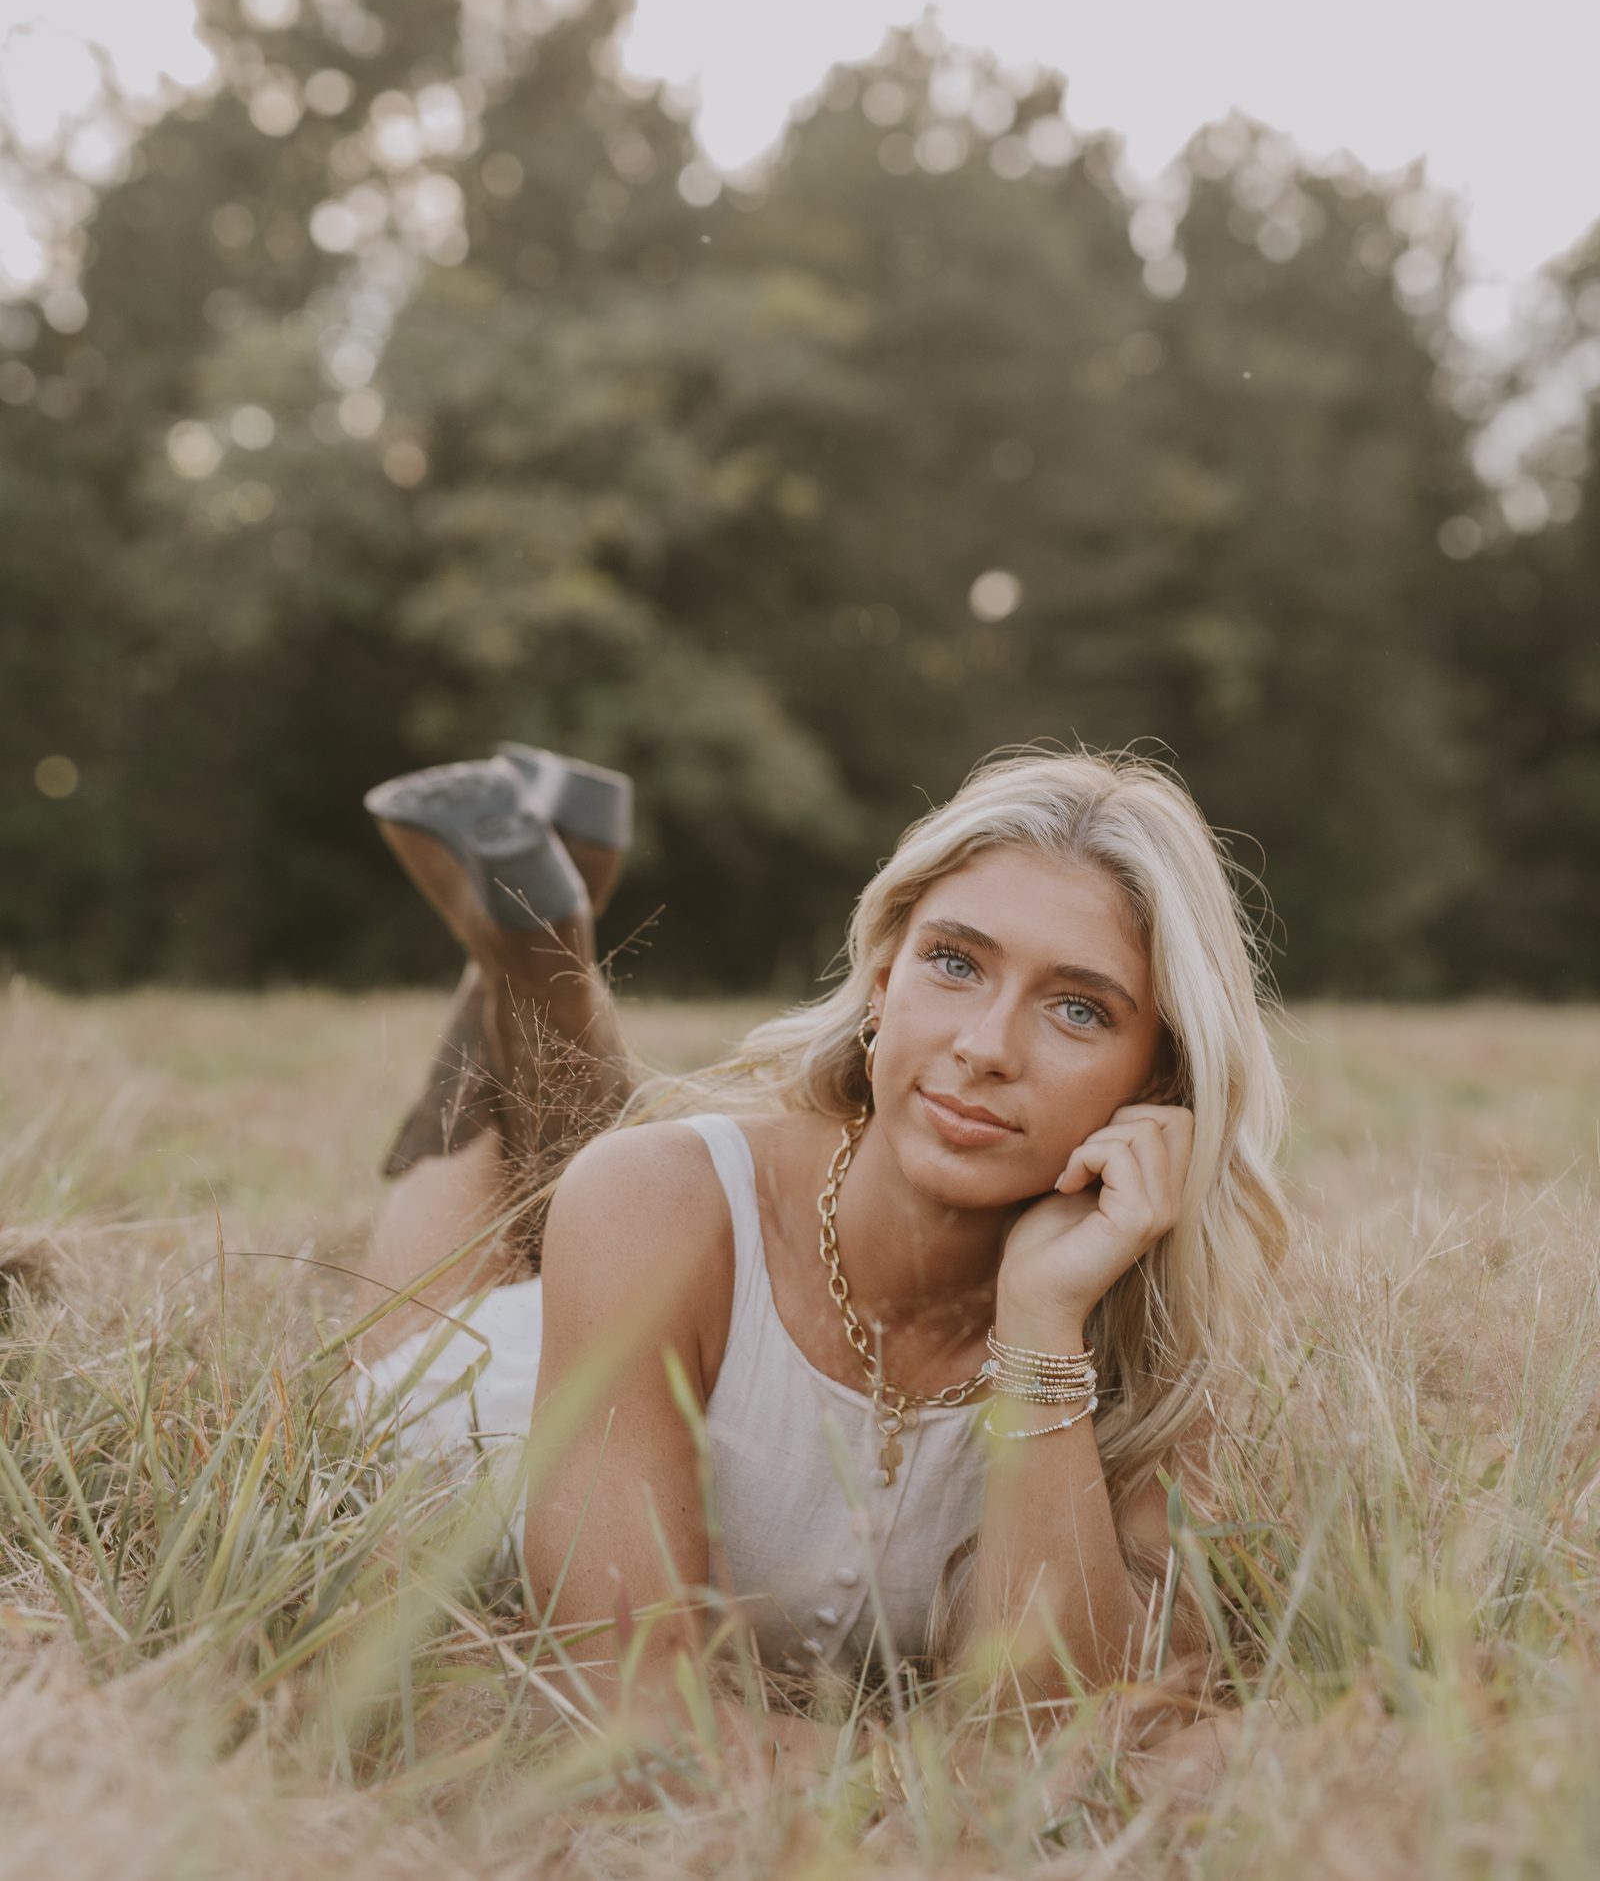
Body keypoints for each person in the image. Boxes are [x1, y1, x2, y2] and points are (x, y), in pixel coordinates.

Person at [348, 740, 1289, 1781]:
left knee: (639, 1190)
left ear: (1157, 1075)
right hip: (495, 1400)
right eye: (955, 962)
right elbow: (636, 1720)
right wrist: (948, 1780)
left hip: (668, 1271)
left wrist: (1040, 1323)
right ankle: (518, 963)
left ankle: (525, 948)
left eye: (1078, 1008)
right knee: (445, 1304)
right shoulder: (651, 1202)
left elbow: (1074, 1723)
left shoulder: (1151, 1323)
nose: (984, 1044)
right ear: (882, 977)